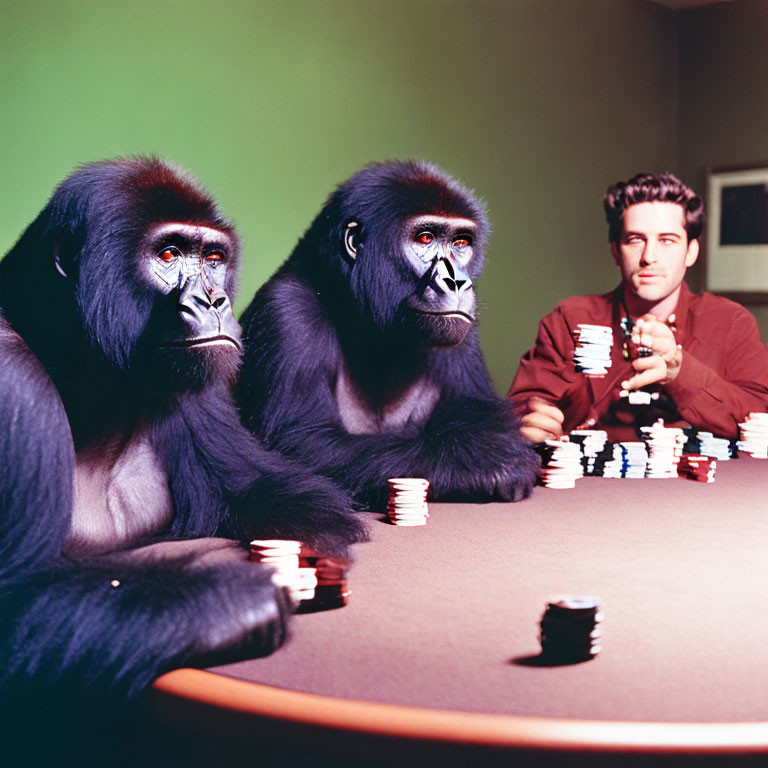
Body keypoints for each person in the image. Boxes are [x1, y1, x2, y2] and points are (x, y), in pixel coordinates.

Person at [508, 172, 768, 443]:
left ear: (691, 252)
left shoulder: (731, 322)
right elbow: (519, 412)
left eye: (667, 240)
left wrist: (681, 373)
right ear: (615, 251)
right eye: (635, 239)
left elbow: (759, 416)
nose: (649, 257)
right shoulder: (569, 320)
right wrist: (525, 425)